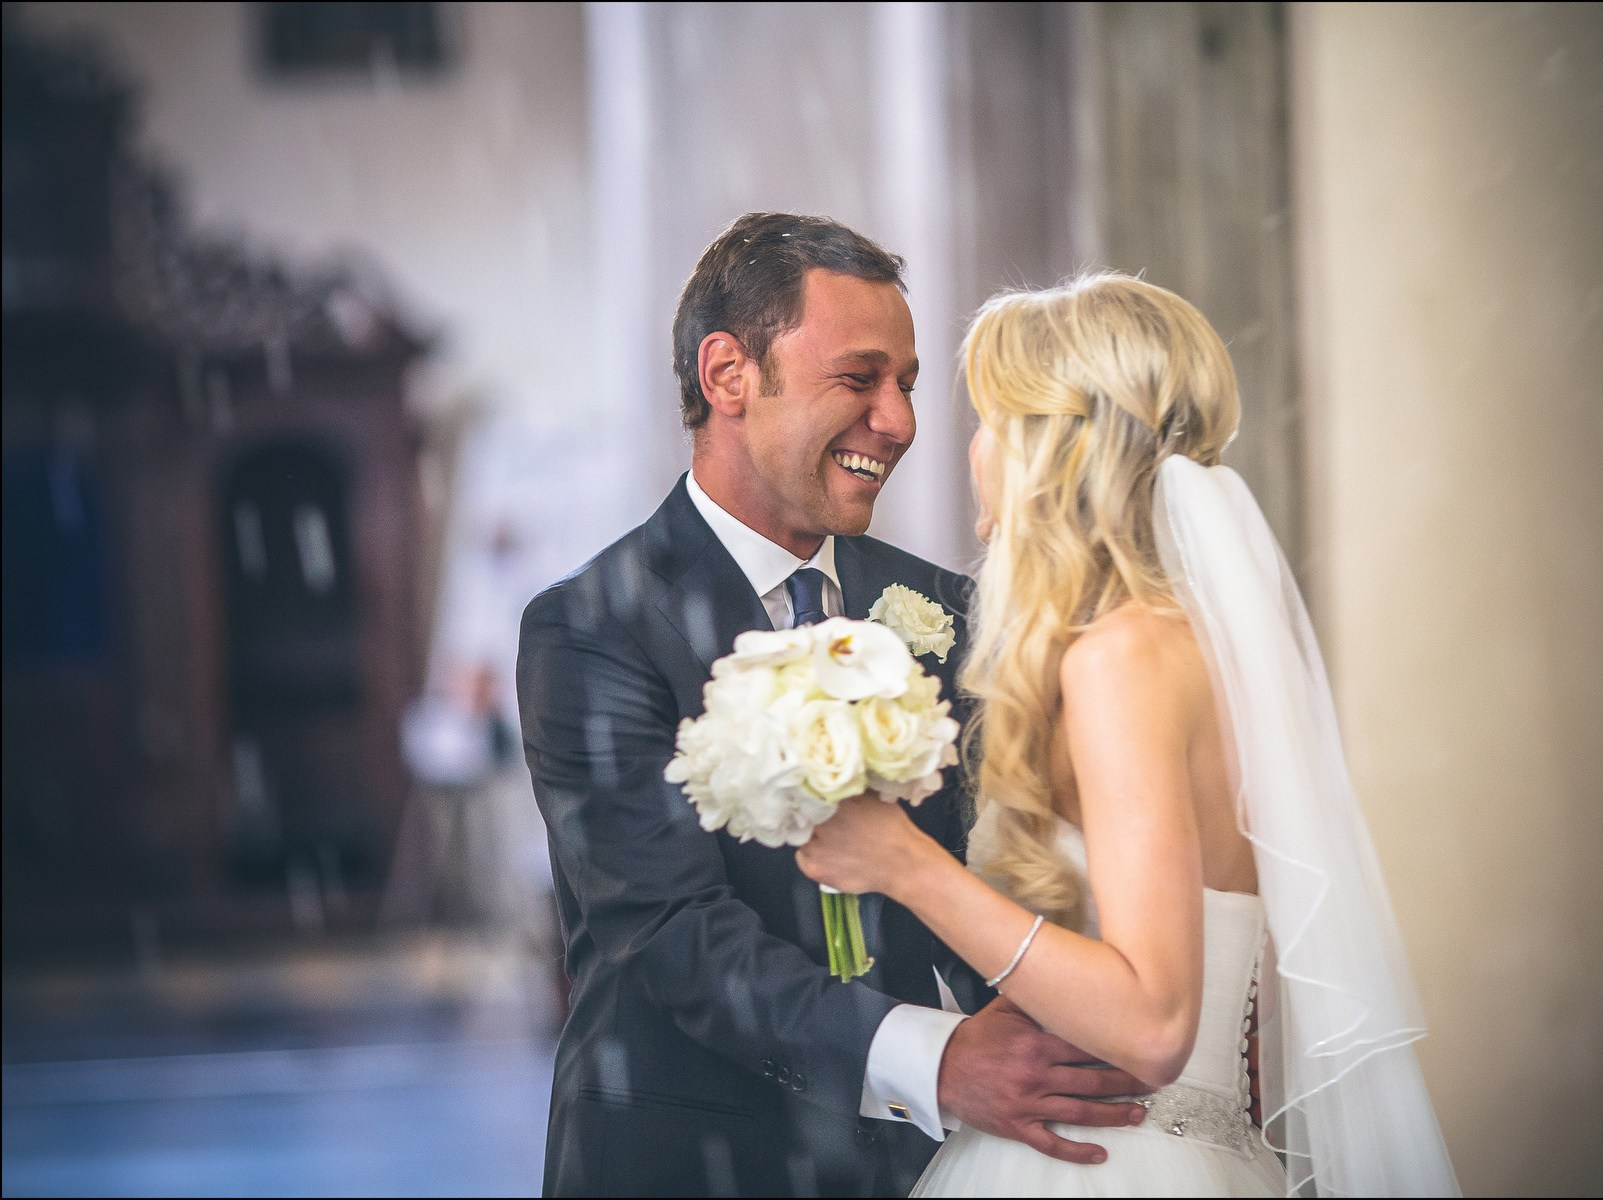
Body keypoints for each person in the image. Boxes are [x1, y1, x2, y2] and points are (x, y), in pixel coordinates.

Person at [516, 215, 1148, 1198]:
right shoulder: (592, 630)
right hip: (681, 1161)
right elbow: (673, 937)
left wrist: (1084, 1034)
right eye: (860, 380)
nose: (897, 421)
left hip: (916, 1168)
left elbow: (1000, 875)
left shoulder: (948, 610)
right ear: (729, 376)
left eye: (905, 384)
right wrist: (938, 1061)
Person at [796, 274, 1462, 1196]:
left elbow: (1154, 1021)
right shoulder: (1197, 649)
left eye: (992, 419)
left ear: (1052, 446)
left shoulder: (1122, 659)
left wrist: (906, 865)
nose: (975, 449)